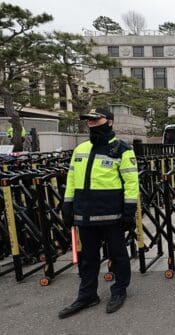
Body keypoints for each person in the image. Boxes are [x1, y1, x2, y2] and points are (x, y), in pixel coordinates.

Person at [59, 107, 139, 319]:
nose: (92, 123)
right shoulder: (81, 149)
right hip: (84, 214)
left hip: (112, 215)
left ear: (109, 122)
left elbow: (131, 183)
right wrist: (67, 205)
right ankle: (87, 295)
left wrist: (130, 211)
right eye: (89, 120)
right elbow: (71, 179)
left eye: (96, 119)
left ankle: (119, 290)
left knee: (118, 255)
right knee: (87, 258)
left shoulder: (122, 149)